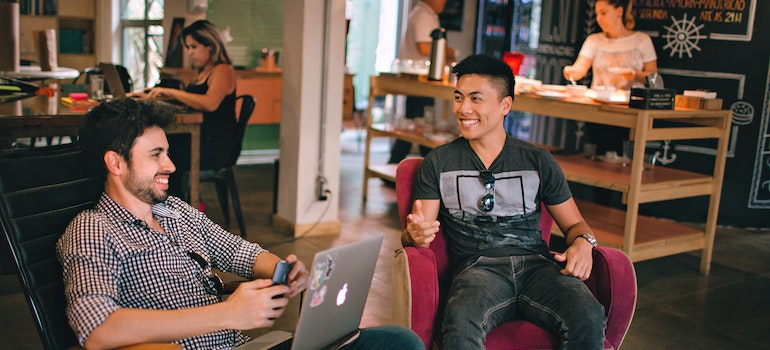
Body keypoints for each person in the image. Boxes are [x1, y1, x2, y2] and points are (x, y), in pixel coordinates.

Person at [57, 98, 423, 349]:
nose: (170, 165)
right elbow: (98, 330)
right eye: (156, 155)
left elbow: (237, 251)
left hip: (244, 344)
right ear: (115, 163)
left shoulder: (175, 211)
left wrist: (282, 270)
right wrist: (227, 313)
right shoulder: (92, 230)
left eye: (167, 153)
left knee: (400, 341)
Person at [402, 54, 606, 349]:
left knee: (588, 317)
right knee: (460, 325)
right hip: (477, 270)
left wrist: (584, 242)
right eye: (458, 98)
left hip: (539, 267)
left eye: (475, 99)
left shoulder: (537, 160)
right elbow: (418, 233)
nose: (463, 109)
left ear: (505, 105)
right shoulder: (439, 162)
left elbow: (574, 224)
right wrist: (413, 235)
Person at [130, 20, 238, 199]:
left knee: (162, 154)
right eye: (188, 47)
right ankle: (164, 204)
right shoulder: (203, 71)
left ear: (210, 45)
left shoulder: (223, 70)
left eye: (194, 47)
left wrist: (171, 92)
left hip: (215, 145)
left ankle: (172, 207)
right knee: (159, 149)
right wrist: (155, 95)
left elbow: (210, 103)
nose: (190, 52)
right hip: (202, 136)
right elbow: (192, 100)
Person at [563, 0, 658, 155]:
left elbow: (654, 78)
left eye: (604, 12)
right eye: (597, 14)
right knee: (597, 157)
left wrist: (634, 75)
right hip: (599, 109)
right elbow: (580, 69)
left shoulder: (642, 40)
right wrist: (570, 72)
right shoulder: (594, 40)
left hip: (630, 111)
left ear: (619, 11)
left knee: (625, 159)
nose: (599, 18)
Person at [387, 0, 456, 166]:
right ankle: (420, 168)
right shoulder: (423, 15)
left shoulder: (426, 14)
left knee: (418, 124)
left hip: (423, 80)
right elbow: (424, 48)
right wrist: (448, 51)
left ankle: (401, 167)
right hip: (420, 79)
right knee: (419, 125)